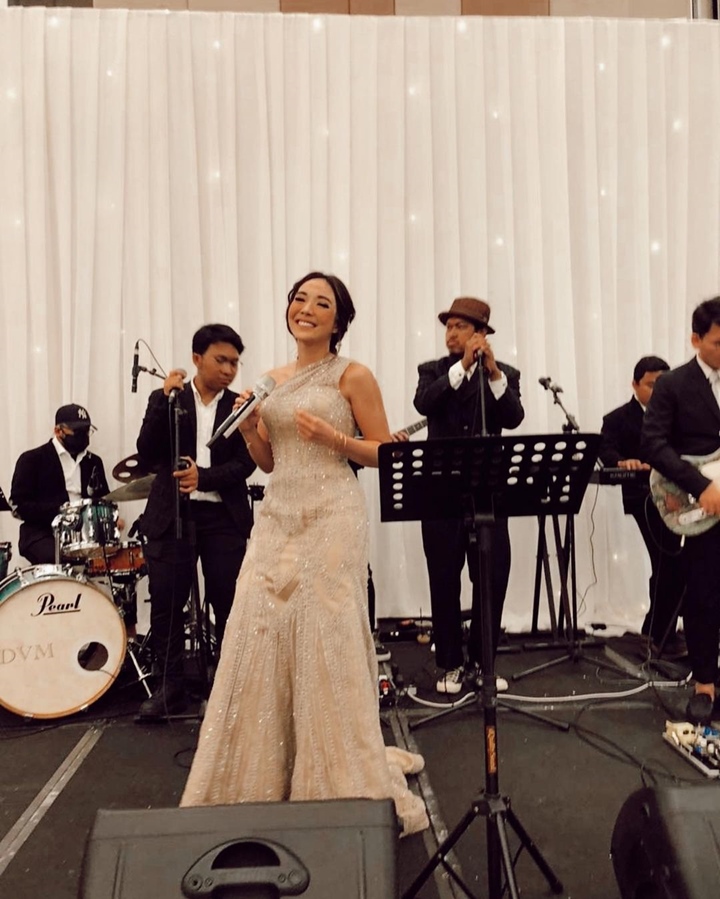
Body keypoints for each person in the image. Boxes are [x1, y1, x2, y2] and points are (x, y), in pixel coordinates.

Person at [179, 272, 429, 836]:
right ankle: (265, 771)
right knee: (259, 628)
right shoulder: (271, 380)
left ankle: (335, 777)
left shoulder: (353, 375)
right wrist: (250, 433)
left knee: (327, 634)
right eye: (299, 299)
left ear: (339, 320)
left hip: (333, 514)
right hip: (278, 516)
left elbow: (384, 452)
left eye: (322, 303)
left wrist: (335, 439)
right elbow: (269, 462)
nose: (307, 308)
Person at [135, 323, 256, 719]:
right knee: (167, 604)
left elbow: (246, 463)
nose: (229, 370)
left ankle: (228, 684)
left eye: (235, 363)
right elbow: (147, 453)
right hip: (172, 516)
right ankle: (169, 686)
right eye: (221, 360)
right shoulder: (171, 400)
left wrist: (203, 477)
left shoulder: (239, 406)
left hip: (223, 517)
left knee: (229, 602)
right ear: (196, 358)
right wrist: (161, 399)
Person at [414, 297, 524, 695]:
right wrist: (461, 367)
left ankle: (483, 663)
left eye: (460, 327)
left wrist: (492, 373)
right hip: (441, 492)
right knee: (444, 576)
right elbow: (425, 403)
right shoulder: (433, 371)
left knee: (492, 576)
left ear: (480, 334)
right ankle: (450, 663)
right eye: (448, 326)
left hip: (487, 492)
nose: (451, 333)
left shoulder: (504, 374)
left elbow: (513, 417)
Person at [641, 297, 720, 725]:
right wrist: (701, 486)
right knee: (704, 594)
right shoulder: (673, 384)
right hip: (700, 506)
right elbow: (653, 444)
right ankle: (705, 683)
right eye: (719, 343)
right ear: (696, 339)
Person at [599, 356, 686, 658]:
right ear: (634, 385)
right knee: (668, 560)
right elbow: (605, 450)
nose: (658, 390)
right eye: (651, 384)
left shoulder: (678, 415)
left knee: (675, 563)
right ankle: (660, 635)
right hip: (643, 497)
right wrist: (623, 461)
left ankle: (658, 631)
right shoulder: (617, 418)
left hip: (680, 496)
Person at [11, 404, 110, 565]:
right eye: (77, 432)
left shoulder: (94, 462)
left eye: (86, 431)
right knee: (59, 557)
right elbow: (18, 506)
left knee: (113, 557)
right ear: (58, 431)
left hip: (85, 535)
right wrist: (62, 512)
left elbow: (103, 498)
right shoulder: (32, 460)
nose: (84, 436)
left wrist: (111, 518)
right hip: (43, 533)